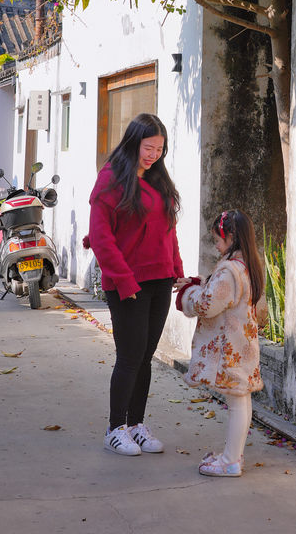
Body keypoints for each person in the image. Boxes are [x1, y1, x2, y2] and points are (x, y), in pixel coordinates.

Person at [86, 112, 186, 456]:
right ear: (133, 143)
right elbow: (101, 238)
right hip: (128, 283)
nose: (154, 154)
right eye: (148, 147)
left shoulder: (158, 180)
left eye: (159, 148)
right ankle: (115, 429)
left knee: (145, 357)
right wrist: (125, 281)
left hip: (159, 280)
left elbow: (167, 231)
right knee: (129, 357)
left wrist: (176, 269)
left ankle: (135, 425)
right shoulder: (111, 179)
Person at [175, 209, 268, 477]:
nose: (216, 244)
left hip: (231, 349)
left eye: (218, 238)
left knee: (237, 401)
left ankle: (230, 461)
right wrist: (201, 283)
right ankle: (233, 456)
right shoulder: (247, 265)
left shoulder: (229, 269)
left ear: (231, 238)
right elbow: (223, 294)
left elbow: (207, 305)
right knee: (241, 400)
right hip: (243, 344)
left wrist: (188, 293)